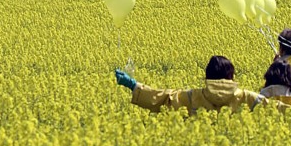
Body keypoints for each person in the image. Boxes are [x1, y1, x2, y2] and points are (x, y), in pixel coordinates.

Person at [113, 56, 267, 114]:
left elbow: (162, 98)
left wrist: (133, 85)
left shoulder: (193, 97)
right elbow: (277, 108)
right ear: (231, 76)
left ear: (207, 76)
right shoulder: (248, 97)